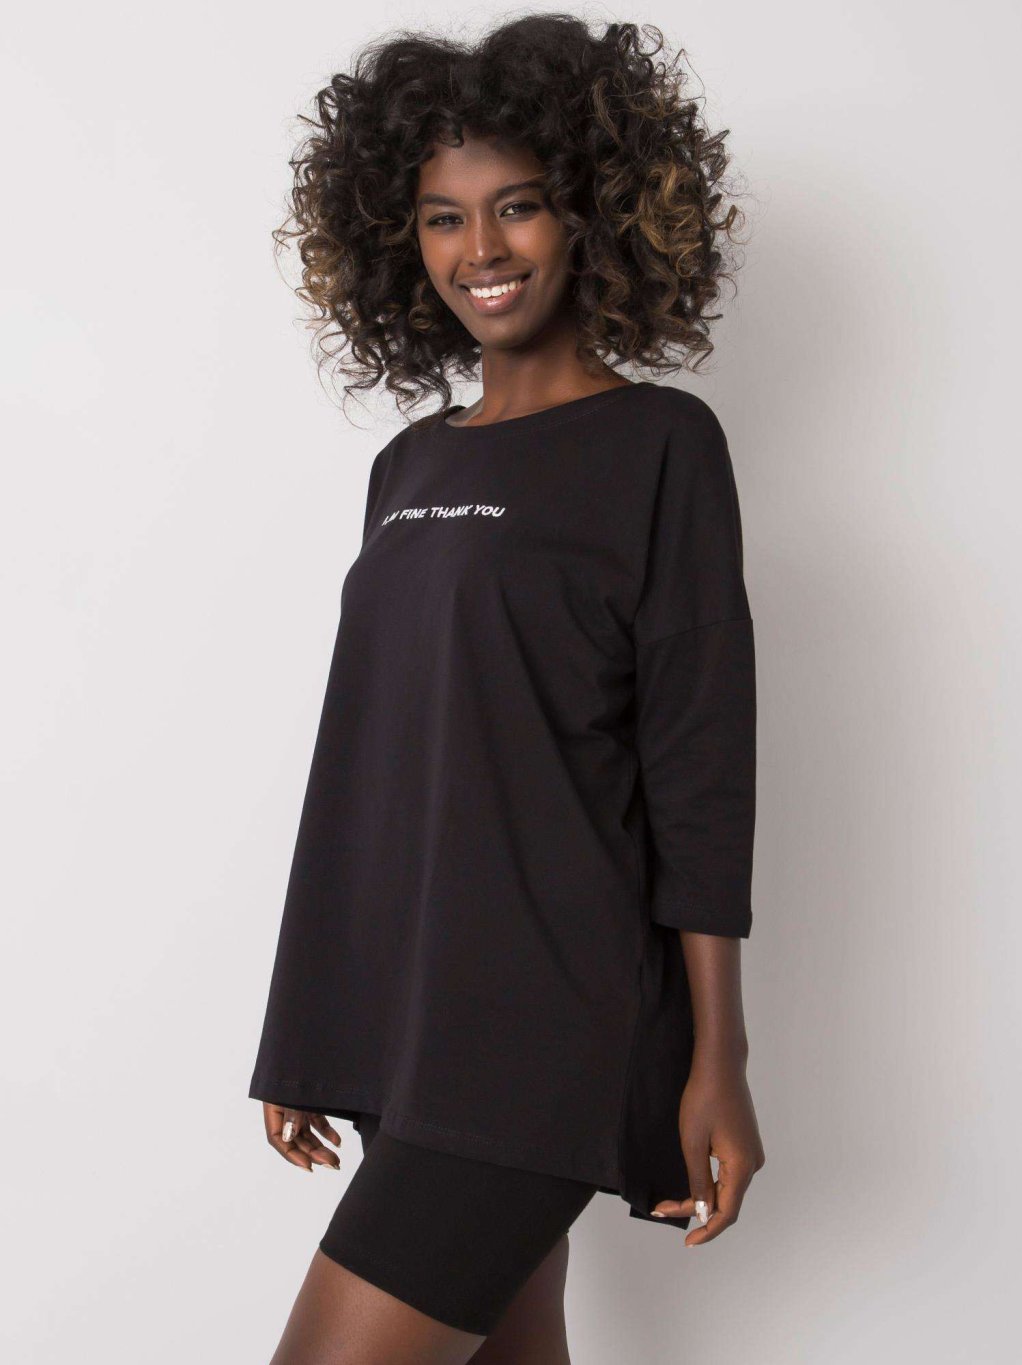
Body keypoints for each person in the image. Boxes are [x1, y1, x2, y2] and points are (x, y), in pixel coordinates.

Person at [248, 15, 766, 1364]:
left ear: (591, 212)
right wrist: (307, 1029)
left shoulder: (660, 444)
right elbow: (369, 764)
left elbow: (700, 767)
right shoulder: (408, 467)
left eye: (518, 206)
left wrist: (720, 1058)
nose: (480, 248)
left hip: (549, 1022)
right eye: (442, 217)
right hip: (411, 1017)